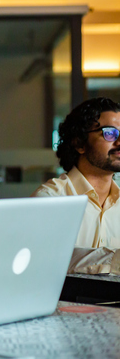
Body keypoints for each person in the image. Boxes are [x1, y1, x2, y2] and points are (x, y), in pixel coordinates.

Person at [31, 97, 120, 275]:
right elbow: (45, 258)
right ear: (79, 143)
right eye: (110, 133)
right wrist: (114, 260)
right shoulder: (50, 199)